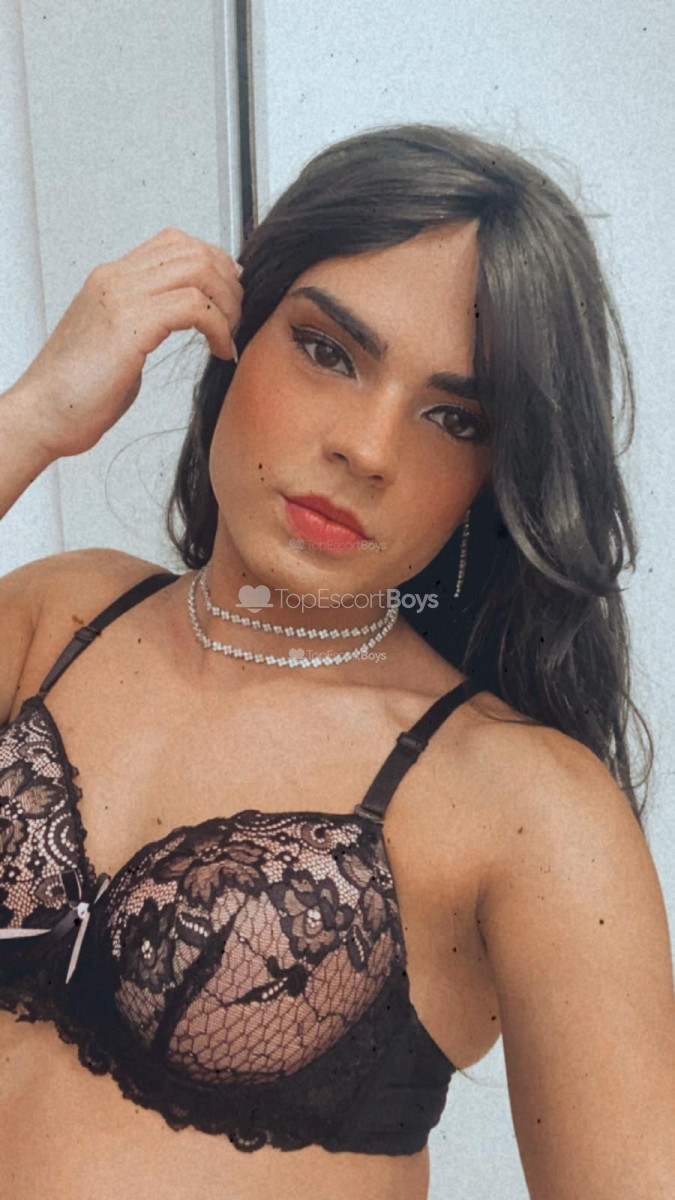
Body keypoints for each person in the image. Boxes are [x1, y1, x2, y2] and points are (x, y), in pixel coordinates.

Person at [0, 123, 672, 1200]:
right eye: (328, 352)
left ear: (495, 476)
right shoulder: (57, 618)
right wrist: (32, 416)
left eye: (452, 416)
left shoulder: (524, 805)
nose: (366, 446)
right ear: (237, 327)